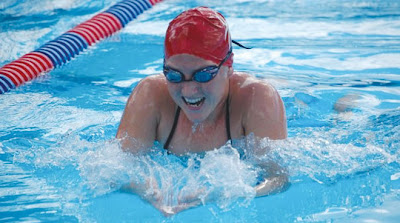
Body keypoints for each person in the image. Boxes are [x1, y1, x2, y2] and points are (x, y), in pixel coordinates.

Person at [116, 6, 288, 216]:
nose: (188, 91)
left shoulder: (257, 99)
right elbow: (113, 168)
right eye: (174, 75)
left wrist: (230, 193)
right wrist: (145, 189)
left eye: (204, 75)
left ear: (229, 64)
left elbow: (278, 178)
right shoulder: (150, 96)